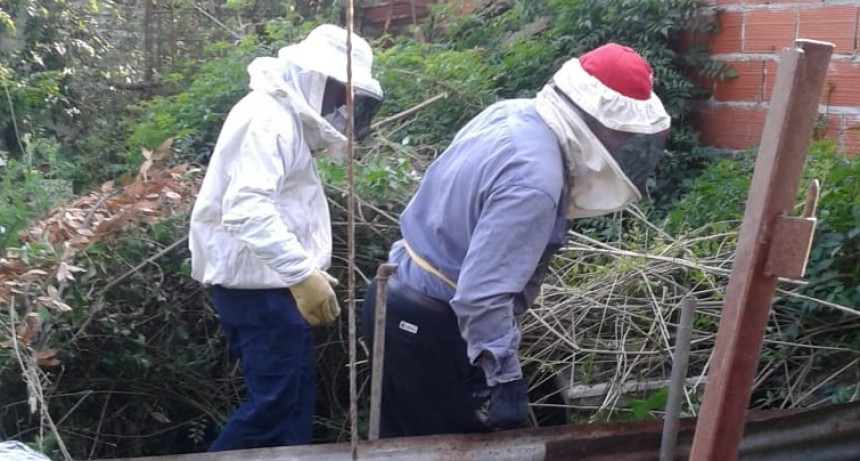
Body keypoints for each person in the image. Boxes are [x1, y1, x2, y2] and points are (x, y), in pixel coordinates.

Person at [362, 43, 670, 438]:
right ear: (593, 121)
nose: (621, 144)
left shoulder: (511, 113)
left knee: (403, 442)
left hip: (395, 295)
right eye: (619, 132)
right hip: (431, 325)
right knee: (434, 449)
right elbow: (481, 296)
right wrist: (504, 375)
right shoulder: (533, 183)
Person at [189, 24, 383, 451]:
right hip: (260, 293)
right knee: (272, 409)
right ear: (314, 77)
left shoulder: (283, 119)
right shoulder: (266, 120)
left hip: (273, 287)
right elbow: (246, 208)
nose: (341, 104)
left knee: (292, 405)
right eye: (339, 91)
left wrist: (300, 274)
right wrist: (301, 273)